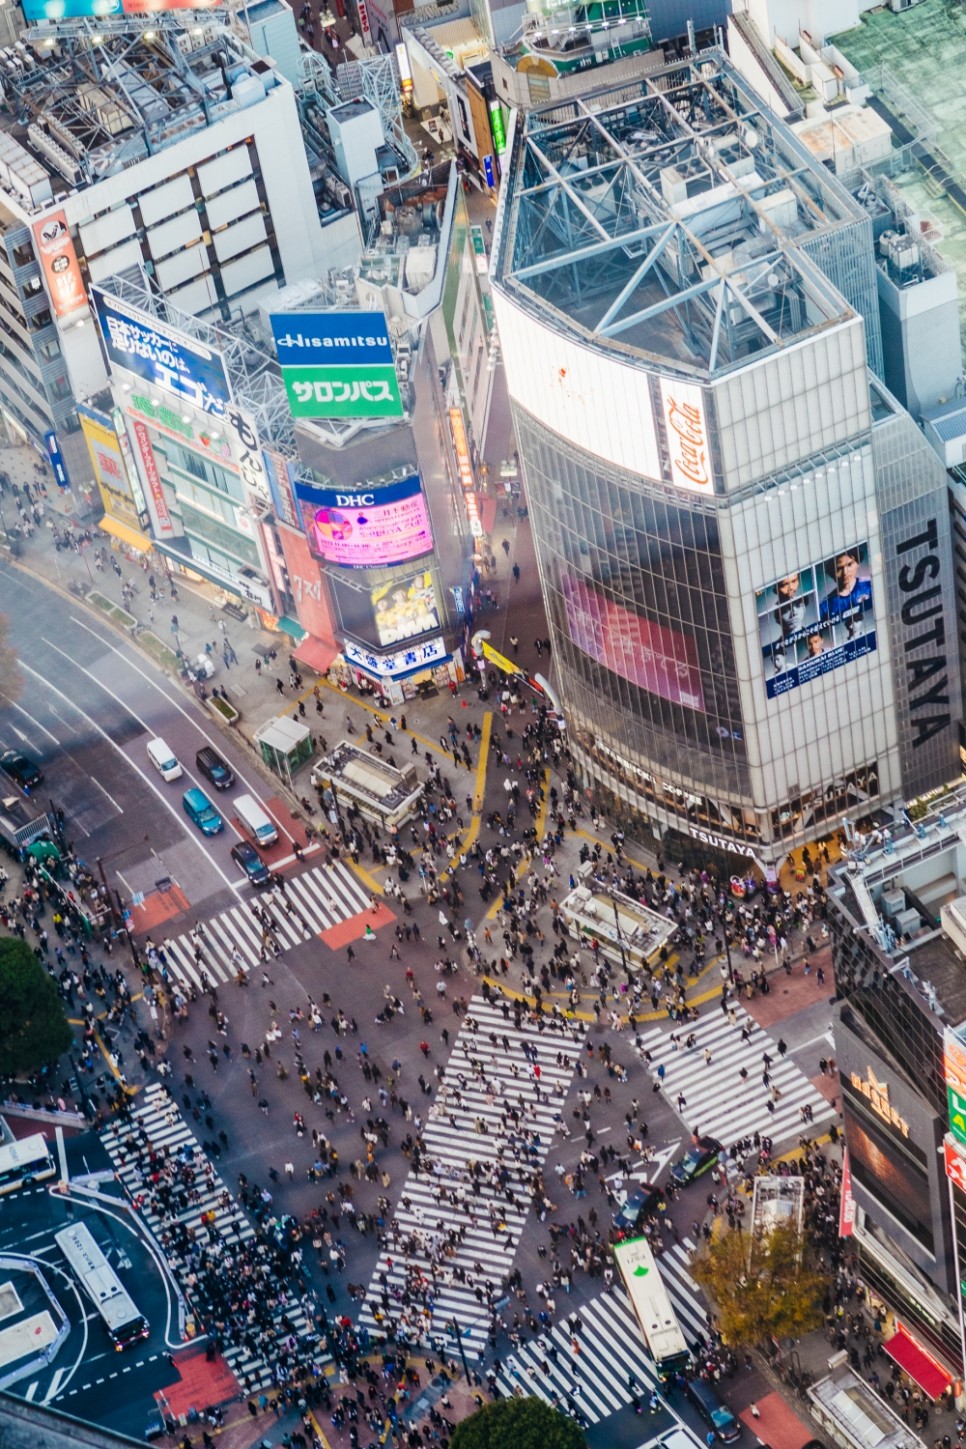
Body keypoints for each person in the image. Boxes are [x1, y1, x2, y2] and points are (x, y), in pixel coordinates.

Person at [820, 548, 873, 625]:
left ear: (857, 563)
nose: (845, 572)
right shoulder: (826, 606)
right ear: (831, 573)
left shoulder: (870, 585)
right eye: (839, 569)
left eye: (849, 564)